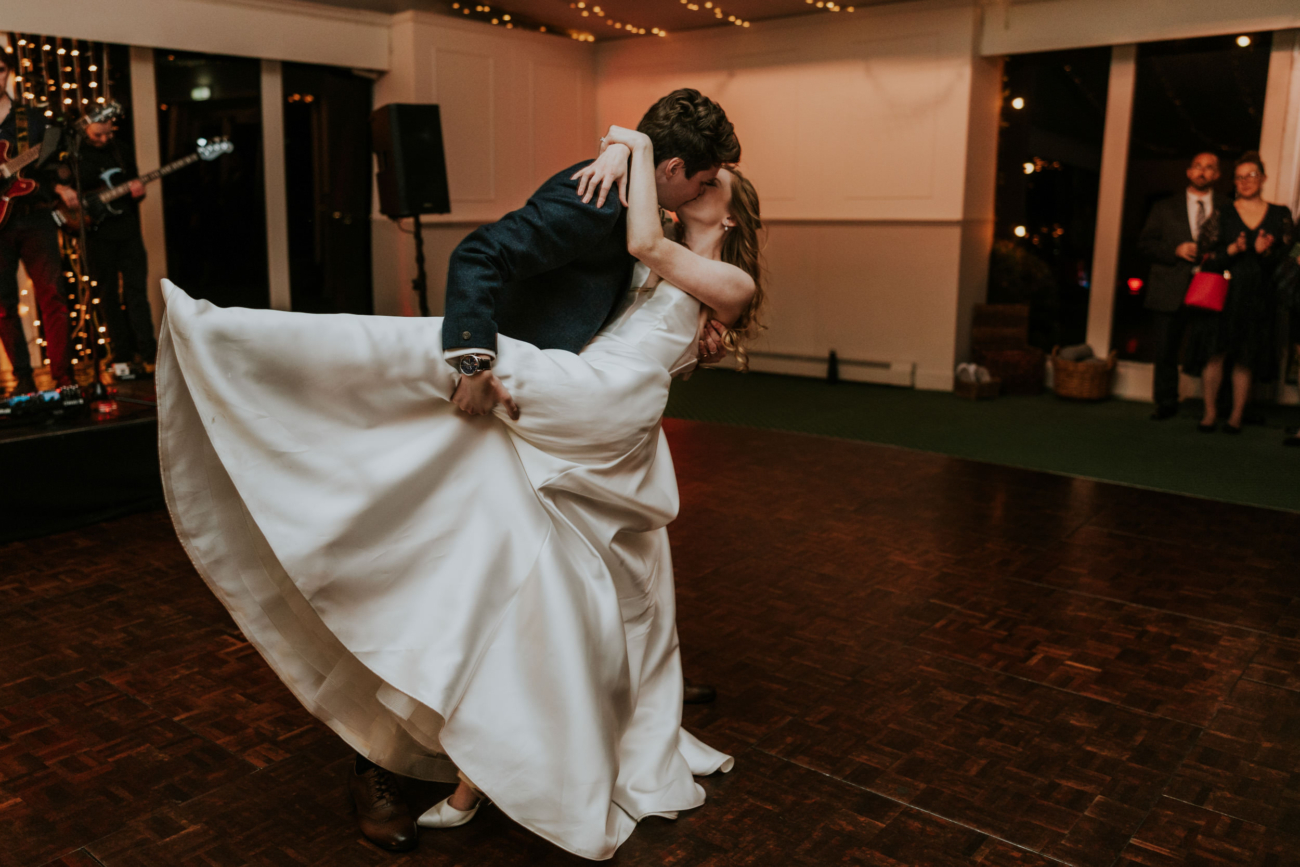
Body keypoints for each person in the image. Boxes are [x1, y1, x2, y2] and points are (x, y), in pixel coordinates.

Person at [157, 89, 757, 859]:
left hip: (594, 419)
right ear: (672, 167)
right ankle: (230, 340)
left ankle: (516, 740)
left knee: (525, 584)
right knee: (437, 515)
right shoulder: (605, 200)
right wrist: (472, 358)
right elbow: (485, 252)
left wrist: (628, 150)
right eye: (698, 181)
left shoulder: (671, 233)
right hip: (547, 395)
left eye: (711, 192)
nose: (697, 197)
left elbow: (650, 287)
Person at [1187, 151, 1294, 433]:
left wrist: (1265, 252)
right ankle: (1210, 413)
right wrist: (1231, 250)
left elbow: (1285, 263)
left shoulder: (1279, 215)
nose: (1245, 181)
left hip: (1258, 296)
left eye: (1251, 175)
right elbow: (1205, 255)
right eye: (1239, 177)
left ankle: (1236, 416)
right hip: (1224, 293)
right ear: (1233, 182)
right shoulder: (1223, 213)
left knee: (1246, 357)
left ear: (1263, 179)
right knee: (1215, 353)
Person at [0, 53, 77, 396]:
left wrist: (59, 181)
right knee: (3, 306)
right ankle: (23, 382)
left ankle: (64, 380)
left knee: (53, 297)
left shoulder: (31, 119)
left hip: (35, 216)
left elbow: (51, 165)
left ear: (9, 74)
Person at [1137, 152, 1229, 420]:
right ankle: (1166, 401)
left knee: (1213, 349)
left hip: (1210, 286)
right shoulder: (1164, 207)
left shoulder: (1227, 207)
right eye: (1198, 166)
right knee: (1166, 348)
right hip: (1169, 287)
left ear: (1217, 175)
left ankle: (1213, 405)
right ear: (1188, 172)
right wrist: (1174, 250)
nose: (1202, 172)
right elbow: (1144, 245)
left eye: (1209, 168)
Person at [74, 118, 155, 372]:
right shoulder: (75, 153)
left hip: (128, 229)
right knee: (107, 295)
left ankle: (149, 353)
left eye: (108, 134)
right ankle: (121, 354)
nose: (104, 139)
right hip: (97, 234)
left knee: (137, 293)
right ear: (86, 128)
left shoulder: (121, 149)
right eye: (98, 135)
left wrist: (138, 194)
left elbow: (132, 185)